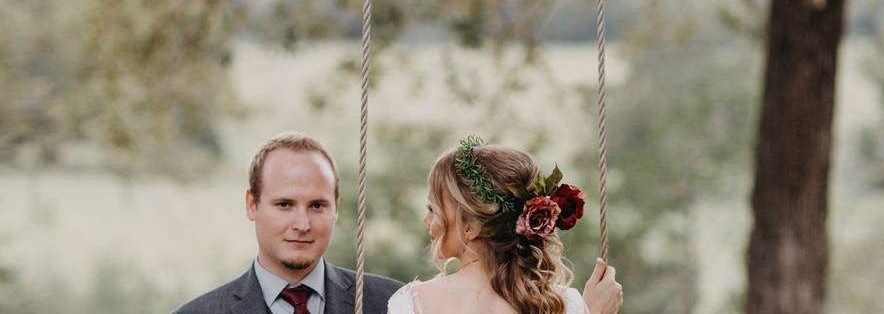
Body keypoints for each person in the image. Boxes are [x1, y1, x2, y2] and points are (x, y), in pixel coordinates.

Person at [387, 136, 625, 314]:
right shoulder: (566, 304)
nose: (427, 219)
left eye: (433, 209)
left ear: (470, 226)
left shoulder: (411, 304)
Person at [174, 132, 402, 314]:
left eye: (317, 206)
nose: (302, 225)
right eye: (284, 204)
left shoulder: (394, 304)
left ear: (336, 207)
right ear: (252, 204)